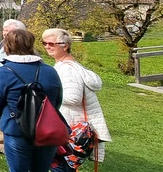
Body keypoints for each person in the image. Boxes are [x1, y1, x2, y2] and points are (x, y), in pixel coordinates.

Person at [0, 29, 63, 172]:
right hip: (47, 128)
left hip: (16, 128)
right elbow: (57, 101)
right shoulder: (50, 71)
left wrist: (10, 114)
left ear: (7, 46)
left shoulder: (3, 72)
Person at [42, 28, 111, 171]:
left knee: (61, 167)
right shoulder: (67, 65)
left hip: (70, 128)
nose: (47, 46)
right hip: (71, 126)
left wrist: (47, 94)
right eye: (45, 43)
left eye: (51, 43)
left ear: (65, 46)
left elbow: (73, 98)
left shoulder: (67, 69)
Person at [0, 19, 26, 155]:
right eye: (4, 30)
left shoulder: (22, 49)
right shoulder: (2, 45)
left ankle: (8, 145)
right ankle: (1, 143)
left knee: (9, 117)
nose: (5, 33)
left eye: (9, 31)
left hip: (12, 88)